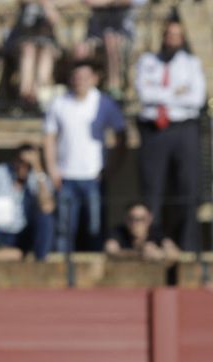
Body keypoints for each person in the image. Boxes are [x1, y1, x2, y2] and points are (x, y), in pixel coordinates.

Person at [134, 18, 205, 254]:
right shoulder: (147, 61)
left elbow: (196, 98)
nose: (172, 39)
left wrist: (160, 95)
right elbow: (144, 93)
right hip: (154, 130)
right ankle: (153, 240)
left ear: (182, 38)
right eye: (169, 34)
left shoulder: (191, 63)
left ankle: (187, 245)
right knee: (152, 189)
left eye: (177, 35)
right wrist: (176, 92)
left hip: (183, 128)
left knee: (187, 187)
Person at [44, 59, 125, 253]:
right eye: (76, 77)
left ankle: (95, 276)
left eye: (85, 77)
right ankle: (63, 273)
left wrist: (111, 169)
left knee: (95, 229)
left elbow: (121, 136)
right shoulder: (59, 103)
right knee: (64, 228)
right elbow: (49, 138)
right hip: (66, 176)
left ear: (95, 79)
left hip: (94, 177)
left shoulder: (104, 103)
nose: (80, 81)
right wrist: (52, 169)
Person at [0, 143, 55, 259]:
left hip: (25, 233)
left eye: (28, 164)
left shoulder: (38, 176)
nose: (23, 167)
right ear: (14, 159)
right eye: (21, 161)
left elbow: (47, 207)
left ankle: (41, 262)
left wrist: (37, 168)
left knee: (46, 219)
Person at [8, 0, 62, 113]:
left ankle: (37, 92)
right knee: (28, 49)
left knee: (46, 52)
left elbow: (54, 21)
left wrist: (47, 6)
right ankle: (27, 92)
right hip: (23, 40)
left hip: (47, 41)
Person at [105, 202, 178, 261]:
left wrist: (159, 254)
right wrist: (140, 254)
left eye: (141, 219)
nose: (136, 223)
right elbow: (110, 250)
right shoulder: (118, 232)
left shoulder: (157, 232)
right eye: (131, 218)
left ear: (149, 219)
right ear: (126, 219)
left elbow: (174, 253)